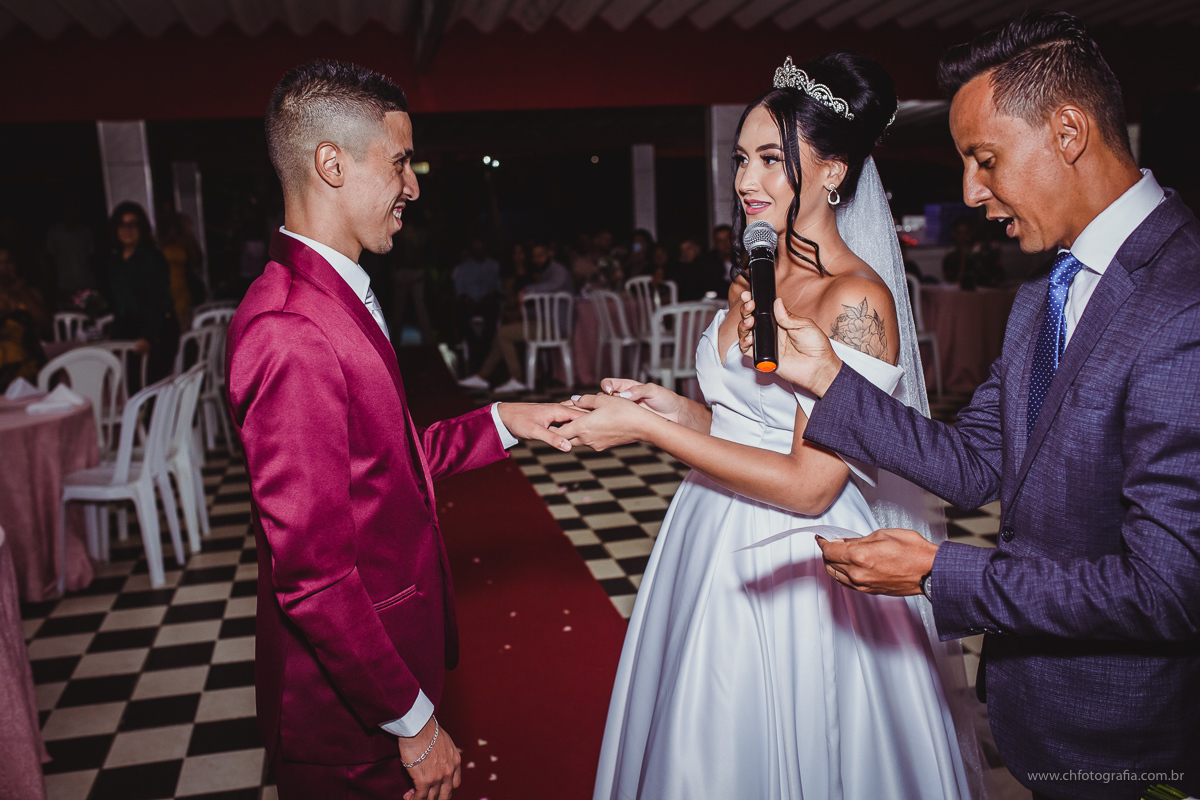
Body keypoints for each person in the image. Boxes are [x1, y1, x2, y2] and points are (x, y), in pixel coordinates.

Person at [738, 13, 1200, 800]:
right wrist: (826, 380)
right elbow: (975, 466)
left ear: (1067, 131)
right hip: (1040, 722)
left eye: (984, 160)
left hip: (1136, 741)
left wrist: (939, 572)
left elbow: (1168, 590)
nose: (969, 192)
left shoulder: (1182, 304)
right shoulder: (1040, 298)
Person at [560, 52, 981, 799]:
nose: (746, 181)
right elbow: (742, 416)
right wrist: (671, 406)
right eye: (740, 159)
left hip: (796, 554)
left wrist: (650, 434)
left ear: (834, 172)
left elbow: (810, 484)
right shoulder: (756, 267)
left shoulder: (856, 301)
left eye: (771, 160)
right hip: (707, 534)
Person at [224, 60, 581, 800]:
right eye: (400, 162)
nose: (414, 186)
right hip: (349, 713)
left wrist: (506, 421)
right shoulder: (290, 331)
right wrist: (414, 724)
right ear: (331, 163)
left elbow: (381, 464)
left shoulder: (337, 290)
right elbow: (315, 579)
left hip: (381, 665)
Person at [457, 241, 573, 393]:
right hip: (544, 322)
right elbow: (541, 306)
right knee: (503, 333)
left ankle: (516, 378)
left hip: (556, 326)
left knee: (503, 333)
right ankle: (482, 376)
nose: (538, 259)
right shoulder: (545, 272)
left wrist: (527, 290)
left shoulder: (557, 271)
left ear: (550, 254)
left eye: (541, 255)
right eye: (535, 256)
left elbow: (551, 287)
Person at [96, 202, 179, 383]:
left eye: (133, 224)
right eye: (123, 225)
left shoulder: (152, 258)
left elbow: (157, 300)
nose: (128, 229)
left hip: (155, 331)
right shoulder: (113, 261)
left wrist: (148, 336)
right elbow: (117, 304)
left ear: (142, 228)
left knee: (147, 386)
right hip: (126, 330)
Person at [452, 237, 504, 372]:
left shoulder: (494, 266)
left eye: (480, 247)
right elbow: (459, 292)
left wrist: (488, 297)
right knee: (459, 314)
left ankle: (484, 352)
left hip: (488, 303)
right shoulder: (463, 268)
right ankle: (471, 346)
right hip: (469, 304)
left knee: (493, 314)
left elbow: (500, 290)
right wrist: (468, 300)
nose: (478, 251)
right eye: (475, 248)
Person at [0, 245, 48, 389]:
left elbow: (46, 328)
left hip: (31, 365)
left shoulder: (29, 293)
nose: (4, 267)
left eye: (8, 261)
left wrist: (23, 294)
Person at [44, 200, 95, 302]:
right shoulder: (55, 232)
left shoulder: (85, 231)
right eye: (70, 209)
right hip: (64, 285)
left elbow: (91, 256)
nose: (73, 212)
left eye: (76, 209)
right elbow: (50, 258)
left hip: (84, 282)